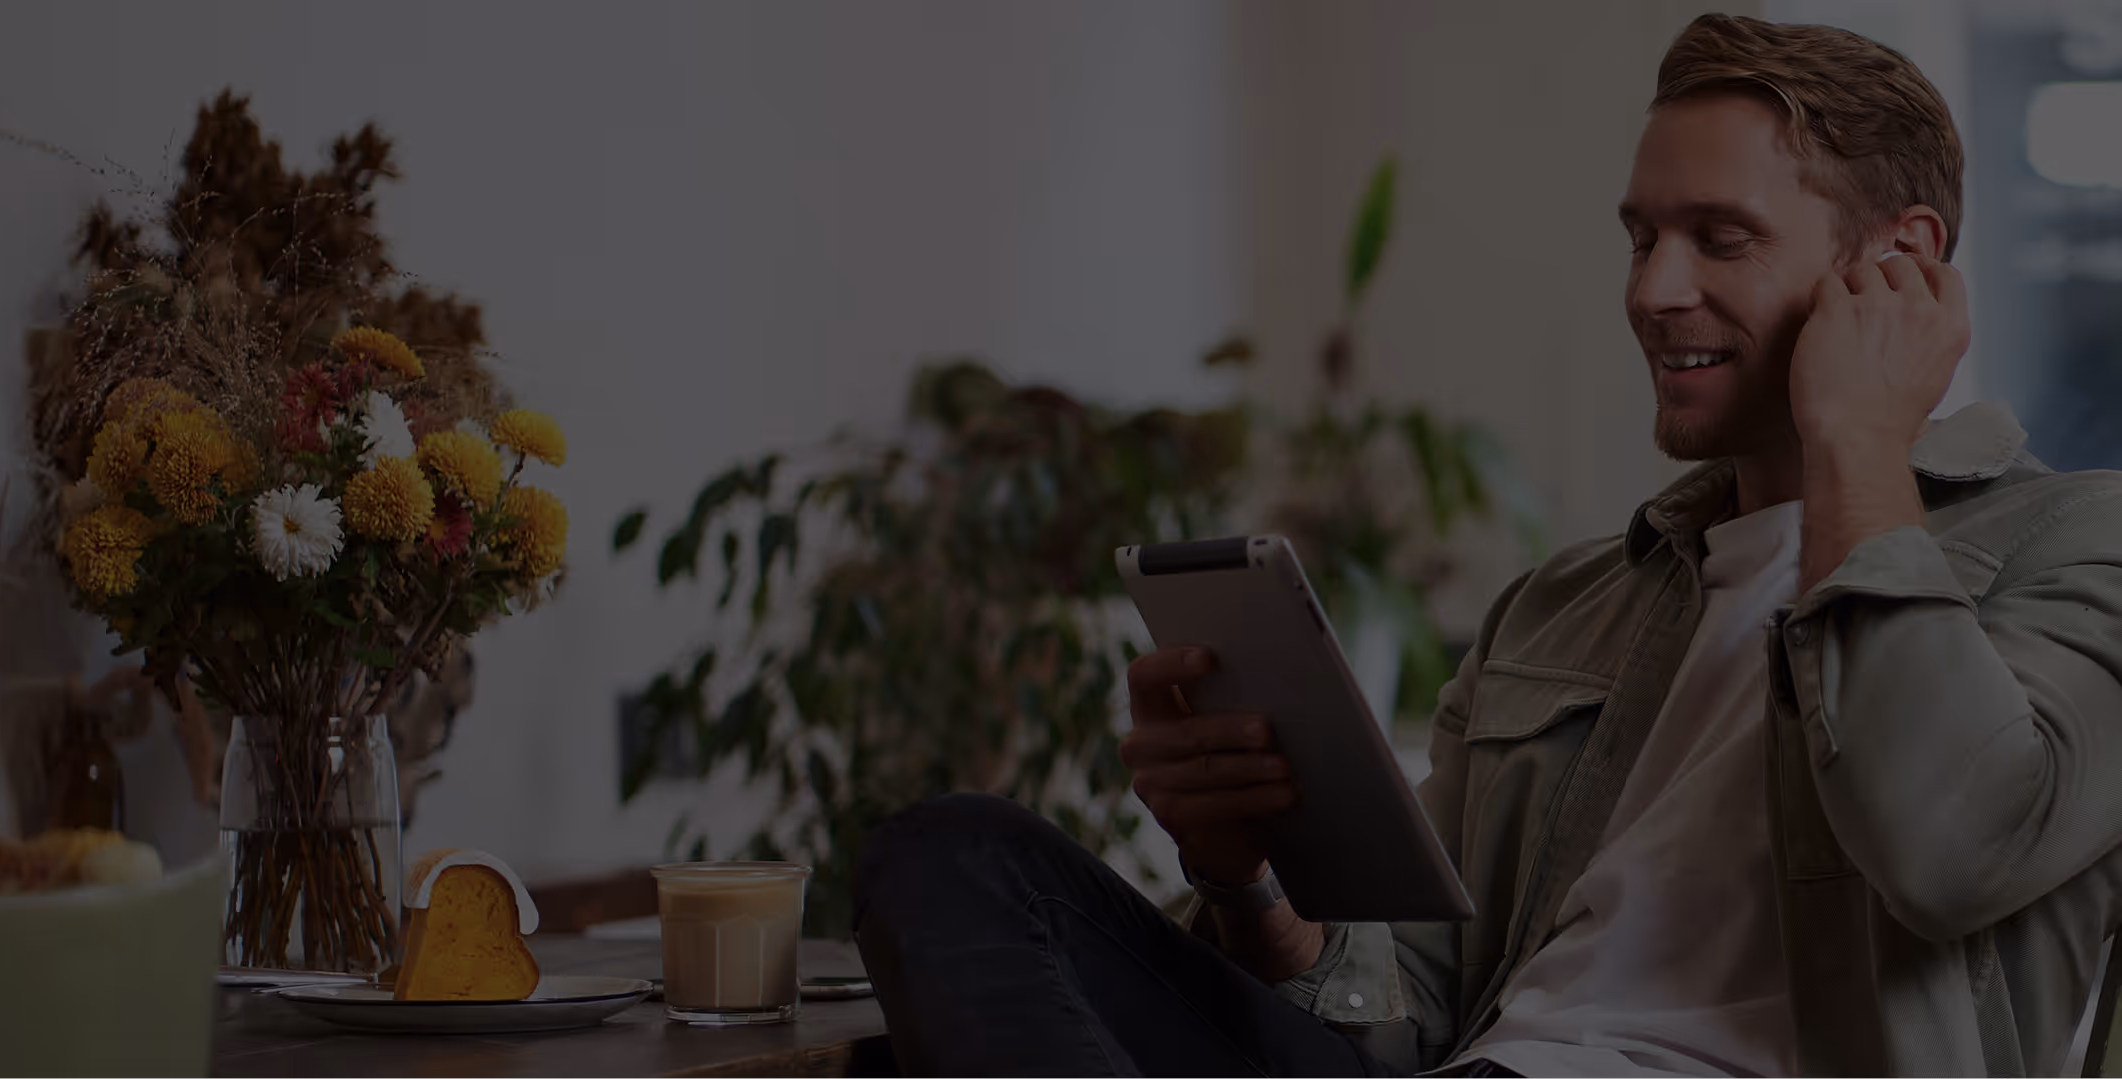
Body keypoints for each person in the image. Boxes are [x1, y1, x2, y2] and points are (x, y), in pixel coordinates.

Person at [851, 13, 2122, 1078]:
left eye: (1719, 239)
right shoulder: (1567, 603)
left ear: (1897, 267)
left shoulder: (2079, 544)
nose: (1651, 288)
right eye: (1639, 235)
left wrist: (1856, 441)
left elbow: (1947, 847)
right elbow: (1402, 1011)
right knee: (957, 858)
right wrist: (1245, 885)